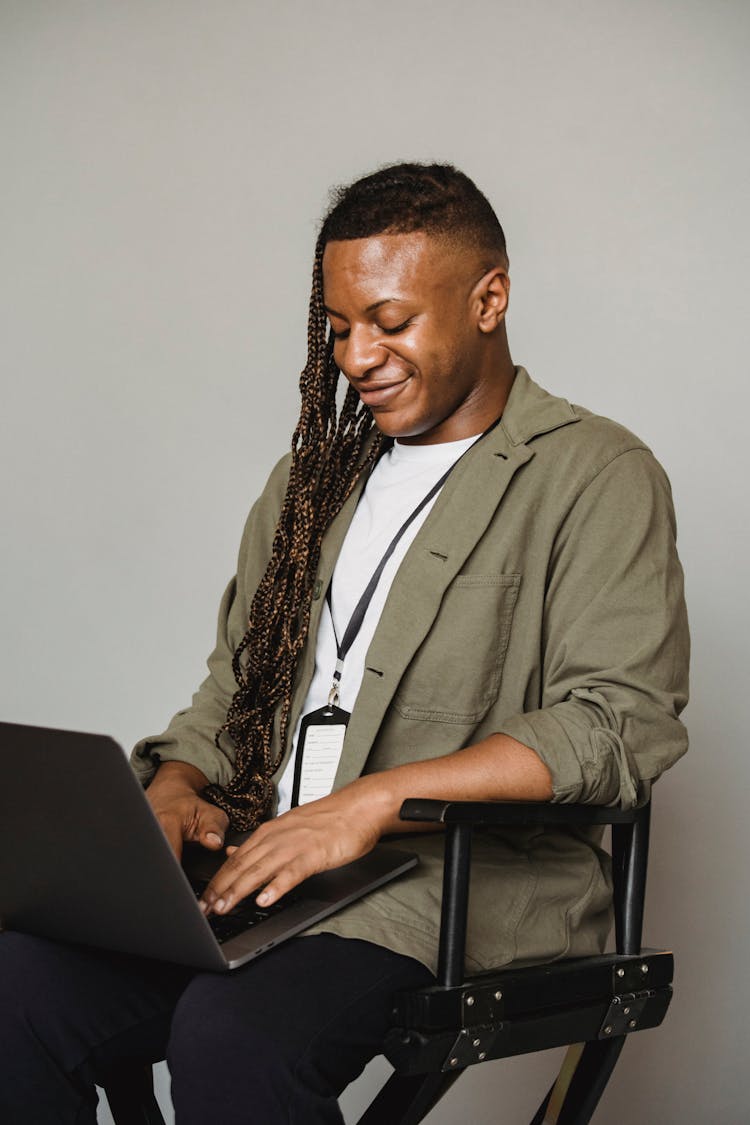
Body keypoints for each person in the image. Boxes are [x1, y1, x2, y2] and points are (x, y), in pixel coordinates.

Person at [0, 163, 689, 1124]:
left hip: (453, 885)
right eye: (338, 327)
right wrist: (172, 790)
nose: (357, 355)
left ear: (489, 298)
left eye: (391, 321)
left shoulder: (593, 474)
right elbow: (231, 693)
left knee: (231, 1031)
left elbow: (616, 726)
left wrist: (362, 807)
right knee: (20, 982)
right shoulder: (308, 480)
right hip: (262, 865)